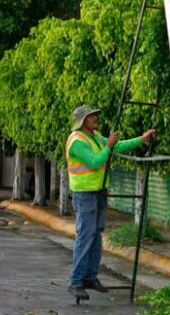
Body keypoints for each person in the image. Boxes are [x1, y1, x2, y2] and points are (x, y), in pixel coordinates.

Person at [65, 105, 156, 300]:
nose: (96, 118)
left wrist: (141, 139)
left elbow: (117, 145)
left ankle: (90, 277)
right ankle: (76, 281)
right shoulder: (77, 141)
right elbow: (96, 162)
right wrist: (108, 147)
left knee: (96, 234)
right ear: (83, 121)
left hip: (98, 192)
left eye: (95, 115)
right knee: (86, 235)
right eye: (92, 116)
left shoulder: (94, 136)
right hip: (85, 193)